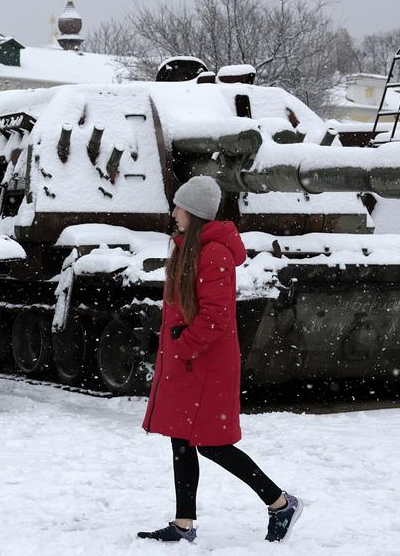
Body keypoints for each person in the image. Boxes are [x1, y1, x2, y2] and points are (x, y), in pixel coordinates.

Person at [137, 175, 302, 544]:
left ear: (193, 212)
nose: (174, 212)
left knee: (211, 443)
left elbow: (216, 317)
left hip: (206, 365)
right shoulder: (188, 249)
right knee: (180, 439)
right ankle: (183, 525)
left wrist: (183, 345)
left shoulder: (213, 254)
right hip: (189, 362)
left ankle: (280, 503)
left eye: (179, 206)